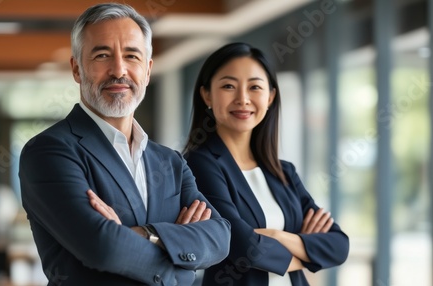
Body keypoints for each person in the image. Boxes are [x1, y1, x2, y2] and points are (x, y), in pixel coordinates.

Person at [19, 3, 231, 285]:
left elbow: (220, 237)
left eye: (131, 56)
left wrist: (142, 233)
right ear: (77, 69)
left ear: (147, 70)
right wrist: (180, 263)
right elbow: (103, 248)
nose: (118, 70)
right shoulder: (49, 152)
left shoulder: (170, 162)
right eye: (102, 55)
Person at [183, 42, 349, 286]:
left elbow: (338, 245)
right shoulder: (198, 164)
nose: (243, 99)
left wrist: (276, 236)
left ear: (270, 96)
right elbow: (240, 246)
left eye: (255, 87)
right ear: (206, 94)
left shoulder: (283, 171)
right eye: (229, 86)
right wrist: (306, 249)